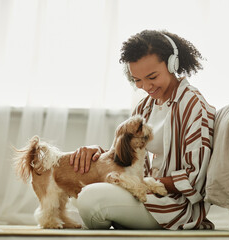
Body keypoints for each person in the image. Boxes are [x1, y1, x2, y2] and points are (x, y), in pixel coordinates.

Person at [70, 30, 216, 230]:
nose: (145, 86)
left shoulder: (193, 105)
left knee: (90, 199)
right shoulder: (144, 107)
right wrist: (98, 152)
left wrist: (143, 183)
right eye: (137, 80)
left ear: (173, 64)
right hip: (141, 193)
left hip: (172, 206)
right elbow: (123, 158)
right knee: (71, 199)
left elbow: (193, 178)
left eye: (152, 76)